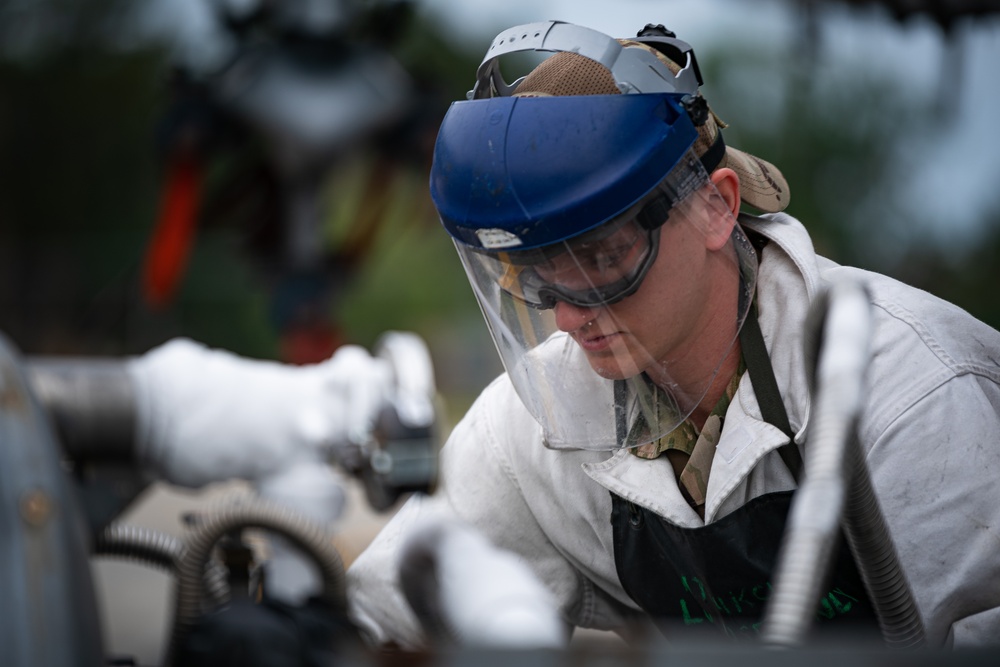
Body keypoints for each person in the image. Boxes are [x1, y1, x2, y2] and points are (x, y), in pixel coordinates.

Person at [345, 20, 1000, 647]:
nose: (567, 317)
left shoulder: (913, 394)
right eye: (538, 278)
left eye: (601, 260)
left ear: (716, 205)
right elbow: (384, 611)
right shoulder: (536, 430)